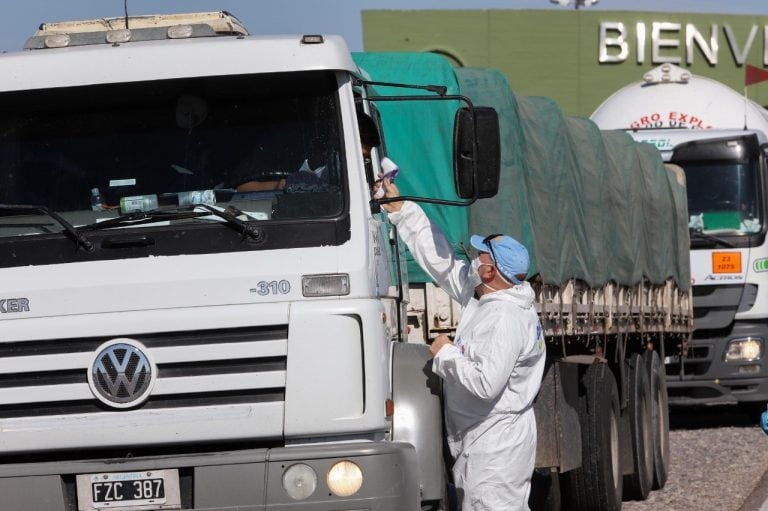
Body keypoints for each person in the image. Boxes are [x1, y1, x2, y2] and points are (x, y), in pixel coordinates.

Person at [380, 179, 546, 510]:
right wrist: (403, 211)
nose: (474, 258)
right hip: (488, 436)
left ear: (490, 271)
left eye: (481, 255)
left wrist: (445, 354)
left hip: (495, 444)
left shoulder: (504, 319)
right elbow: (441, 263)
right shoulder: (489, 298)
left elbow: (486, 383)